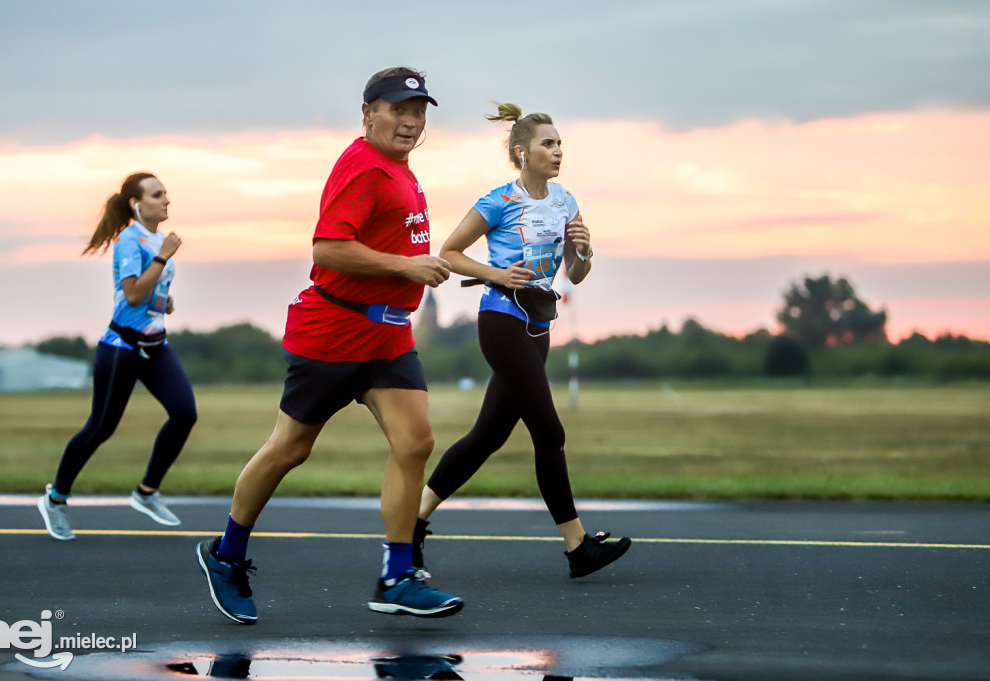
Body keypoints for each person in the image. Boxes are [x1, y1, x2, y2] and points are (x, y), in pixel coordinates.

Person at [195, 67, 463, 624]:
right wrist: (405, 266)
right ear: (368, 113)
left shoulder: (400, 170)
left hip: (388, 336)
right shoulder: (363, 167)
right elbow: (327, 249)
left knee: (416, 443)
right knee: (290, 449)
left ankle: (397, 577)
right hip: (336, 333)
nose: (411, 120)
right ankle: (226, 555)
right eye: (397, 109)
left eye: (419, 111)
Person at [413, 103, 631, 578]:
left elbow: (575, 273)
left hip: (539, 328)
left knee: (488, 435)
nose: (557, 153)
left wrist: (586, 251)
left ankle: (413, 520)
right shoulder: (498, 201)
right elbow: (449, 252)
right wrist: (496, 274)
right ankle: (577, 547)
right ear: (521, 152)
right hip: (502, 323)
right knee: (550, 433)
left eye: (560, 146)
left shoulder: (566, 202)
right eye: (548, 144)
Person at [38, 172, 197, 541]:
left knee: (185, 414)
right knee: (100, 428)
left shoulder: (157, 239)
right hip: (120, 349)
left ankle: (146, 493)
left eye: (166, 194)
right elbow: (132, 296)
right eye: (158, 195)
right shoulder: (130, 241)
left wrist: (165, 301)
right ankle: (56, 499)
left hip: (156, 346)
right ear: (136, 203)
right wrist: (162, 258)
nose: (167, 200)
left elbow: (151, 295)